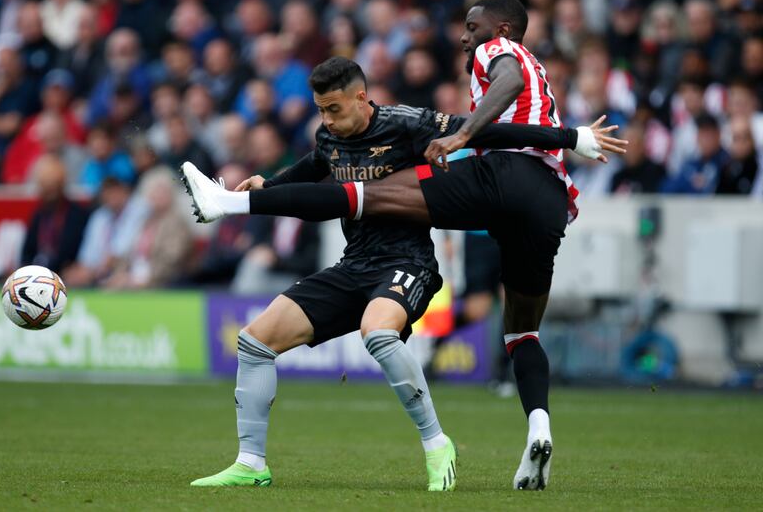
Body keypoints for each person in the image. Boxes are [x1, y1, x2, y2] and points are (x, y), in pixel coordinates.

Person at [184, 50, 624, 500]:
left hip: (406, 262)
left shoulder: (406, 123)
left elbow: (487, 130)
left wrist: (568, 137)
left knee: (377, 333)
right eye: (320, 110)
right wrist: (270, 185)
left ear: (361, 97)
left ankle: (437, 444)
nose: (328, 120)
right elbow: (314, 166)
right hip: (354, 264)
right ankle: (251, 464)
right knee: (255, 342)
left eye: (334, 109)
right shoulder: (328, 135)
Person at [20, 155, 90, 274]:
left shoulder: (77, 215)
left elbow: (79, 254)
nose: (49, 192)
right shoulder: (38, 215)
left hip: (65, 274)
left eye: (53, 185)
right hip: (38, 273)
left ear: (61, 185)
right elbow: (27, 252)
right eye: (45, 186)